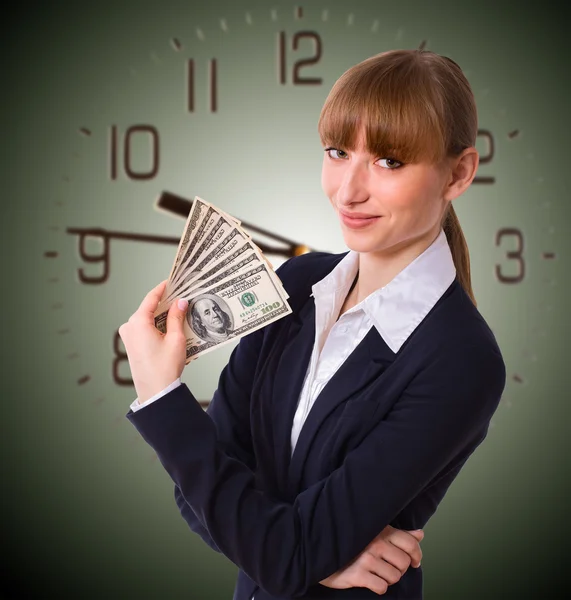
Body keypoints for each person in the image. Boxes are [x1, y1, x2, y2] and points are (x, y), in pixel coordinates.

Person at [120, 49, 507, 599]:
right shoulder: (298, 283)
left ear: (459, 173)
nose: (349, 191)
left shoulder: (461, 360)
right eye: (338, 151)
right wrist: (307, 556)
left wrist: (162, 397)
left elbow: (226, 498)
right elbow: (198, 493)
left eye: (389, 162)